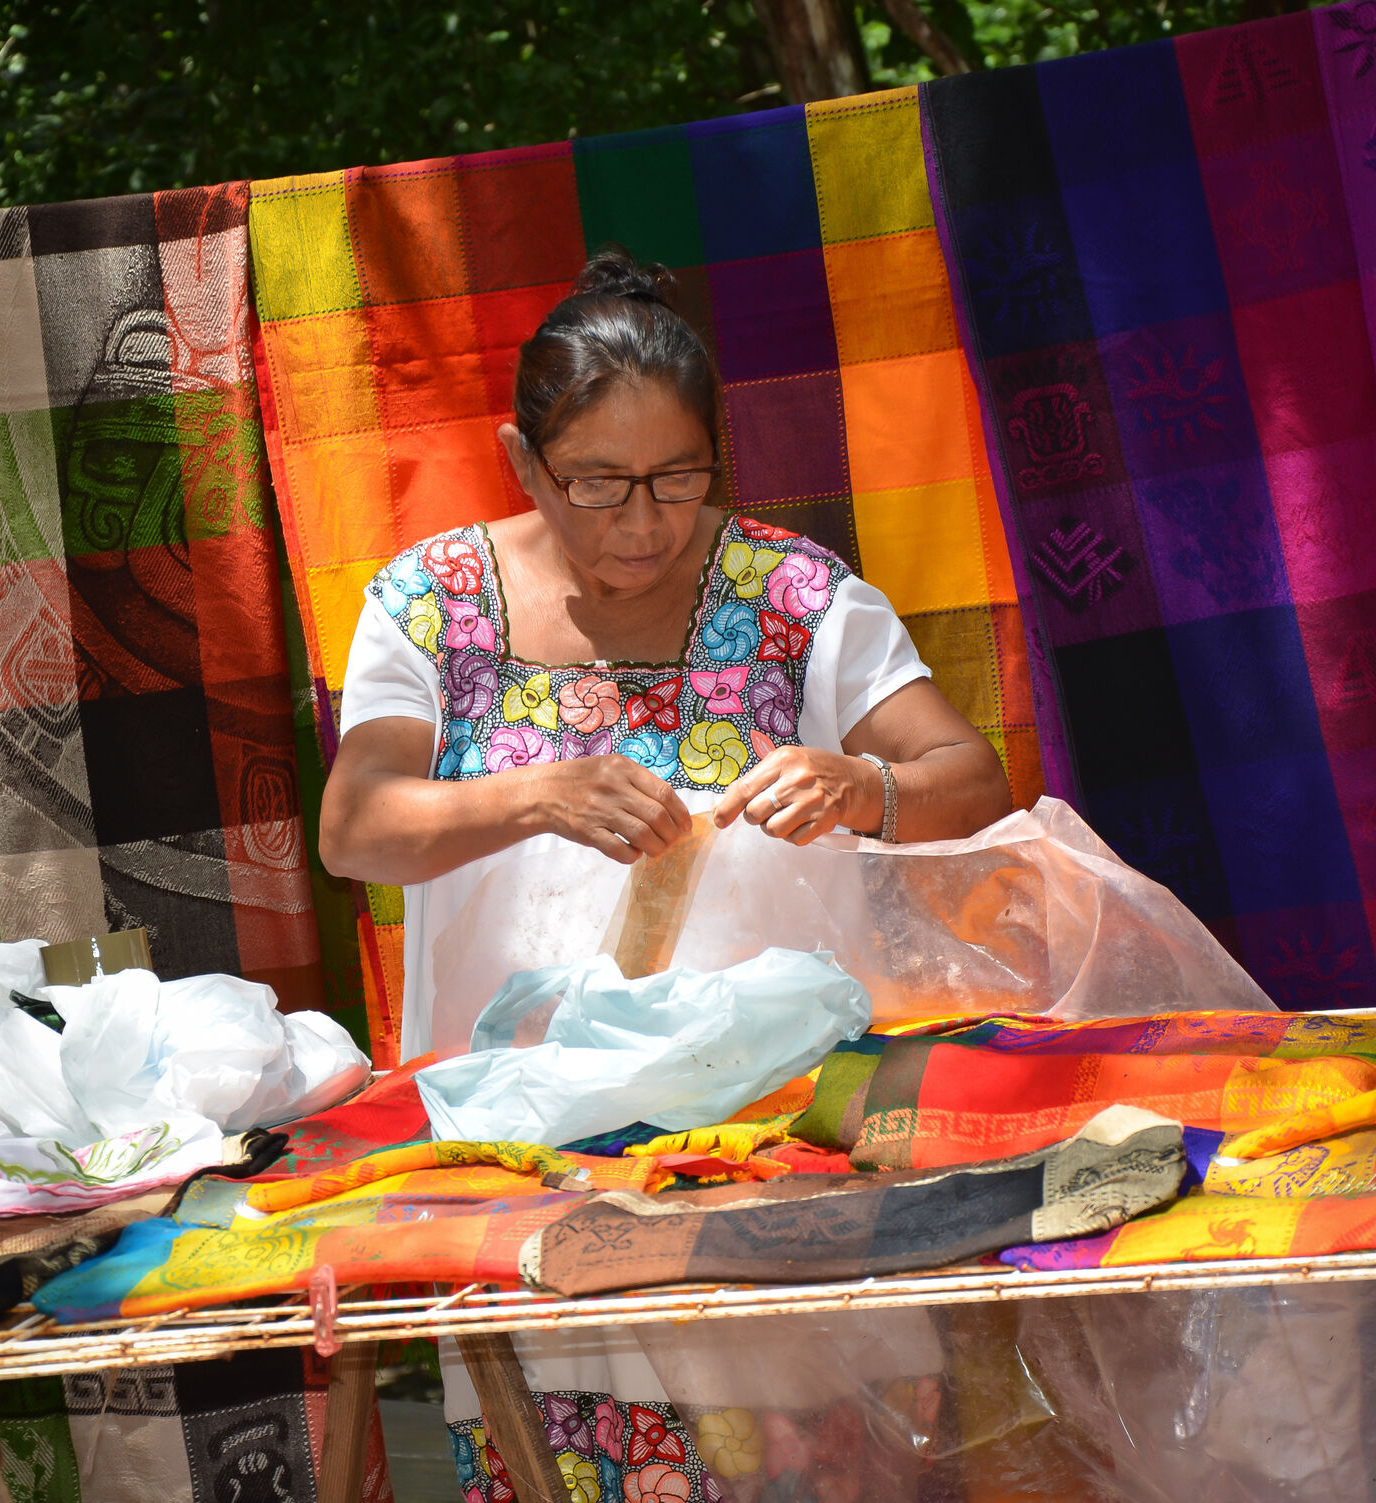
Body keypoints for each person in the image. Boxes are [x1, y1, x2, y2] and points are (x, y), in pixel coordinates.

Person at [320, 247, 1013, 1499]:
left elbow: (972, 778)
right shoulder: (432, 605)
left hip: (771, 1155)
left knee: (802, 1456)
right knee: (565, 1447)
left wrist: (869, 788)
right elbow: (356, 826)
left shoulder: (794, 598)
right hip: (531, 1172)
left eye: (677, 478)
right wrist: (530, 792)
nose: (642, 522)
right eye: (596, 484)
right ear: (520, 459)